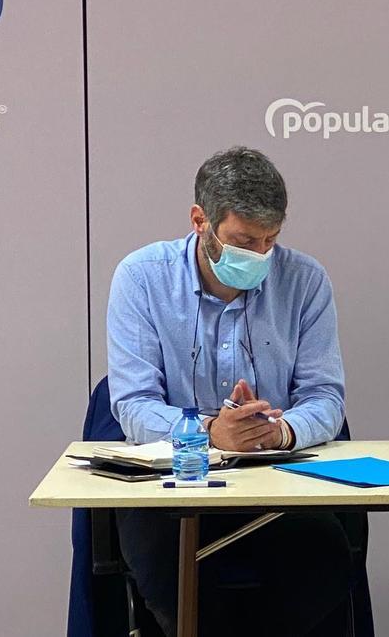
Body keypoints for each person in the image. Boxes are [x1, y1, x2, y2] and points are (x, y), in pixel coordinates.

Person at [107, 147, 355, 636]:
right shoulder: (141, 277)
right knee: (177, 582)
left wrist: (279, 433)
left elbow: (326, 397)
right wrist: (210, 433)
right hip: (171, 486)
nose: (261, 255)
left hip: (279, 481)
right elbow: (132, 406)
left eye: (271, 240)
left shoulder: (304, 280)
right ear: (201, 221)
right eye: (245, 241)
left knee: (325, 562)